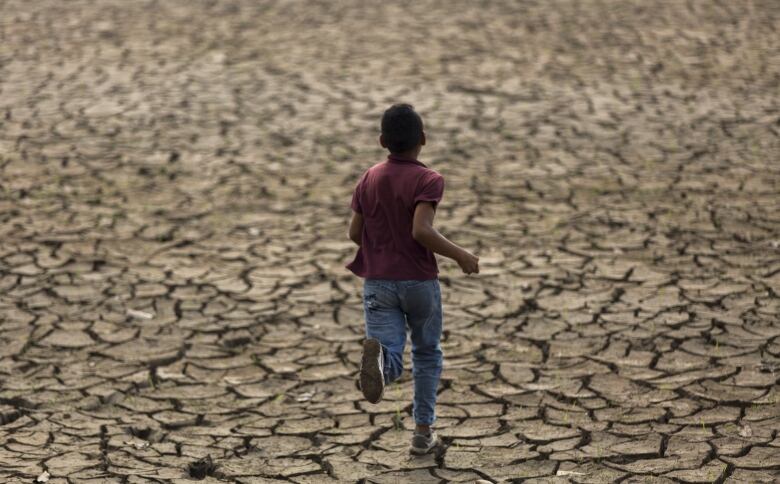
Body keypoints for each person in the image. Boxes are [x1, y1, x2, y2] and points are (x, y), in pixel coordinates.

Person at [346, 103, 479, 455]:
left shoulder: (369, 178)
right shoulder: (427, 179)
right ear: (422, 139)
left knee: (389, 350)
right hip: (419, 282)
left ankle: (382, 366)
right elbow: (421, 230)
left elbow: (354, 233)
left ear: (381, 141)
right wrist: (461, 255)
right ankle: (423, 434)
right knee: (425, 354)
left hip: (378, 282)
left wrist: (380, 245)